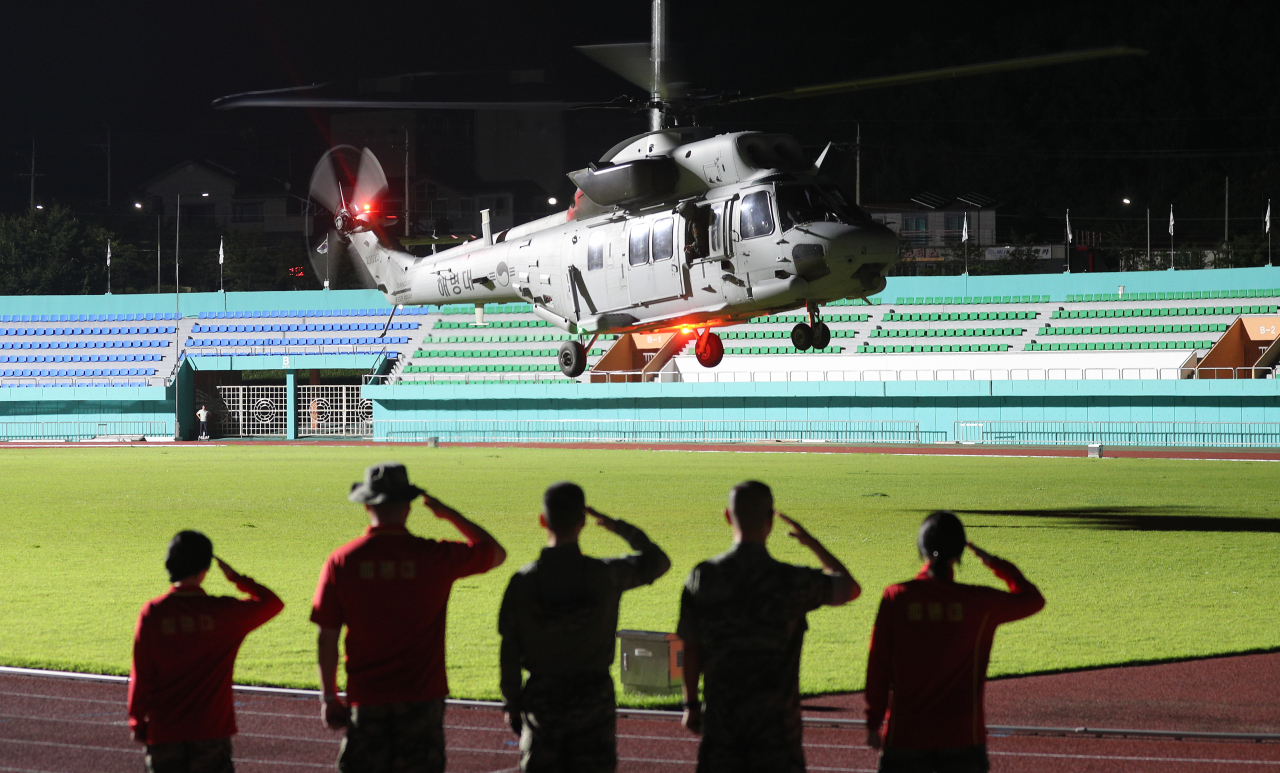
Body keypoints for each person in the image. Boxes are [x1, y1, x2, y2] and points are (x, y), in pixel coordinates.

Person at [311, 462, 507, 773]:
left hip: (368, 698)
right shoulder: (433, 557)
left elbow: (327, 637)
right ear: (408, 506)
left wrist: (329, 698)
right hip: (423, 700)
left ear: (365, 505)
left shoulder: (342, 562)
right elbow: (495, 553)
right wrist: (448, 514)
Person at [678, 481, 860, 773]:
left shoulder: (704, 577)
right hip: (777, 730)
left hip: (723, 725)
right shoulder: (790, 581)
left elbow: (690, 645)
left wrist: (691, 705)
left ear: (727, 516)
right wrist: (811, 542)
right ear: (771, 521)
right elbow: (849, 588)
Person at [498, 482, 671, 772]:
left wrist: (512, 704)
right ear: (583, 522)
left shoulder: (523, 582)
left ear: (543, 521)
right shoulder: (605, 575)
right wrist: (617, 526)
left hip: (543, 700)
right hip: (593, 699)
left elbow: (509, 650)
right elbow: (658, 561)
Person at [865, 512, 1046, 773]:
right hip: (963, 740)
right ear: (959, 552)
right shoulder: (978, 603)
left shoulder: (897, 597)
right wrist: (993, 562)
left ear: (921, 548)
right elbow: (1033, 599)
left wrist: (873, 722)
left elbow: (878, 665)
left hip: (905, 739)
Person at [128, 530, 284, 773]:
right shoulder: (224, 614)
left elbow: (142, 673)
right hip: (211, 733)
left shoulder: (153, 613)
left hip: (164, 732)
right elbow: (272, 603)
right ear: (206, 568)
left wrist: (137, 721)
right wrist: (236, 578)